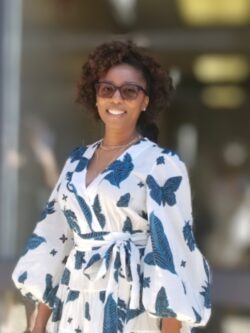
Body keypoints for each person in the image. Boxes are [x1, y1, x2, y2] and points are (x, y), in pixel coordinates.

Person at [12, 40, 211, 333]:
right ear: (96, 96)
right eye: (107, 89)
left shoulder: (162, 164)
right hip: (73, 306)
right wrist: (38, 323)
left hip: (130, 309)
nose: (116, 98)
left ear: (145, 101)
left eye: (129, 91)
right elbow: (54, 243)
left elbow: (173, 255)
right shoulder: (76, 162)